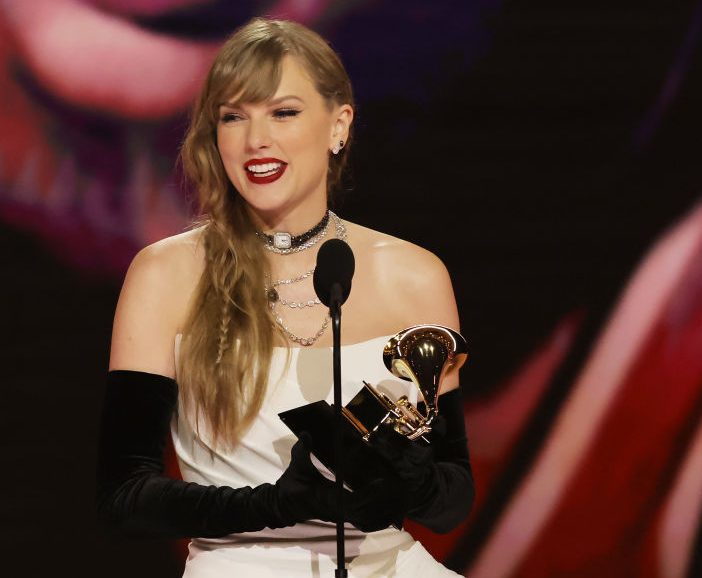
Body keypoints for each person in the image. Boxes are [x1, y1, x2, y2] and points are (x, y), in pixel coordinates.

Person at [96, 17, 473, 577]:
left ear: (338, 125)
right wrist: (278, 505)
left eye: (284, 112)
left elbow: (453, 500)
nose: (255, 140)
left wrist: (410, 483)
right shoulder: (165, 275)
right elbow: (123, 495)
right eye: (233, 117)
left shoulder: (414, 276)